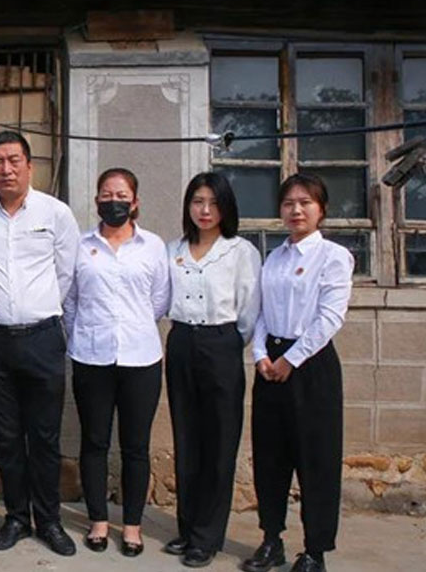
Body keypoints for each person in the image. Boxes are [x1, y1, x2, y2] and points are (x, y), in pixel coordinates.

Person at [0, 131, 80, 557]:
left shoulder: (56, 213)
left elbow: (66, 274)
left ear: (30, 165)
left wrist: (38, 309)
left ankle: (49, 520)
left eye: (14, 161)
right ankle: (15, 517)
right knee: (7, 438)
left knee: (44, 437)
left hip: (43, 337)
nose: (6, 170)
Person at [242, 173, 353, 572]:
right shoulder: (274, 257)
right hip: (270, 364)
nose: (296, 210)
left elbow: (330, 318)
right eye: (289, 203)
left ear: (321, 209)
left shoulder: (334, 257)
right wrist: (260, 355)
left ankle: (315, 551)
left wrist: (292, 359)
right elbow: (260, 313)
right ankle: (271, 540)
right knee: (270, 457)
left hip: (312, 365)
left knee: (316, 459)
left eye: (305, 202)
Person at [63, 167, 169, 558]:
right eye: (106, 195)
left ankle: (133, 526)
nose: (114, 202)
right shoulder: (81, 245)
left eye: (121, 195)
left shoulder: (153, 246)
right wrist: (86, 333)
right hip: (91, 356)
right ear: (96, 200)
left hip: (141, 357)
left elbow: (159, 300)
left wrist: (132, 326)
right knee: (94, 442)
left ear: (135, 202)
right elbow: (70, 301)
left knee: (135, 447)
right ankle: (98, 521)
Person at [163, 172, 261, 568]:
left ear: (226, 208)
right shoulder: (173, 249)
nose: (205, 210)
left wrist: (228, 343)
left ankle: (207, 536)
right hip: (181, 342)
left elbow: (249, 310)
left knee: (219, 441)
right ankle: (188, 528)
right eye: (197, 201)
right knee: (186, 437)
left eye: (213, 203)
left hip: (221, 343)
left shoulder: (240, 251)